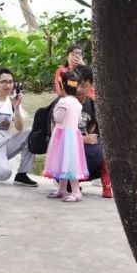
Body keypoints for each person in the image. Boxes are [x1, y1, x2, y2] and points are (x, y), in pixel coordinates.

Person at [0, 68, 37, 186]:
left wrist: (16, 108)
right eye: (4, 82)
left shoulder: (12, 102)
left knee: (31, 133)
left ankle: (22, 174)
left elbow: (20, 128)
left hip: (5, 145)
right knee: (5, 173)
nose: (8, 85)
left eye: (10, 82)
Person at [44, 70, 89, 202]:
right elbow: (79, 120)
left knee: (66, 164)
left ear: (62, 86)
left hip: (62, 136)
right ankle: (62, 189)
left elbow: (58, 118)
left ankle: (75, 192)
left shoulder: (63, 102)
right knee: (68, 164)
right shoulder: (77, 103)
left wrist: (55, 113)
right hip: (73, 136)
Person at [70, 67, 113, 198]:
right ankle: (69, 181)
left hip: (85, 150)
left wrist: (91, 137)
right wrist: (82, 139)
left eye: (83, 85)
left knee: (105, 148)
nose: (79, 89)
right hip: (68, 150)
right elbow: (58, 134)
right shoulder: (65, 103)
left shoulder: (93, 105)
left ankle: (107, 186)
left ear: (91, 86)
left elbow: (93, 127)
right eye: (76, 84)